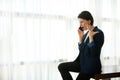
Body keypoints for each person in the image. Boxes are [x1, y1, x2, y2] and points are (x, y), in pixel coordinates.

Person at [58, 11, 104, 80]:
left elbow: (94, 53)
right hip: (81, 63)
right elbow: (81, 50)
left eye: (82, 22)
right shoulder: (86, 34)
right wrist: (80, 37)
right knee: (61, 66)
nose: (80, 24)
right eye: (79, 22)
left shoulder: (98, 32)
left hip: (90, 66)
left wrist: (91, 38)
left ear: (89, 21)